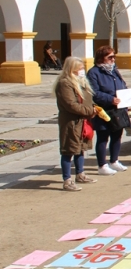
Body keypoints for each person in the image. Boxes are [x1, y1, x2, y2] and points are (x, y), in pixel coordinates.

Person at [54, 57, 97, 191]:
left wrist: (93, 108)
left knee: (80, 148)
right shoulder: (64, 83)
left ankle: (80, 174)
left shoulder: (81, 82)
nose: (82, 71)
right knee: (69, 150)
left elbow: (88, 99)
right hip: (71, 122)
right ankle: (67, 180)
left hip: (83, 120)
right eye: (79, 68)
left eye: (82, 68)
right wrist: (90, 110)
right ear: (71, 69)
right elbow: (70, 104)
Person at [87, 46, 129, 175]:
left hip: (118, 109)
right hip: (103, 110)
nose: (113, 59)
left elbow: (122, 85)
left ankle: (114, 161)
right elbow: (94, 92)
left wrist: (127, 96)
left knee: (117, 136)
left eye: (114, 56)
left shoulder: (114, 70)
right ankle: (102, 165)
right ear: (101, 58)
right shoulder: (93, 72)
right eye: (109, 57)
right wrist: (110, 99)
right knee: (103, 137)